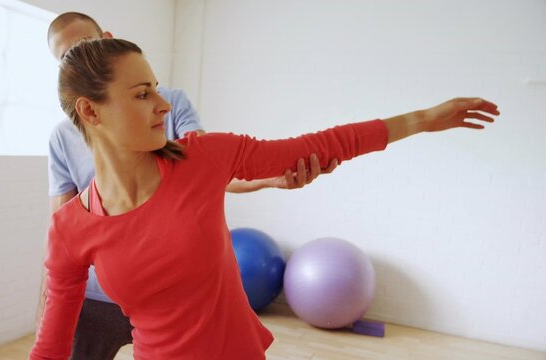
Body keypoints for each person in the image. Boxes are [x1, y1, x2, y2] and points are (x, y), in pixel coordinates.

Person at [30, 38, 499, 360]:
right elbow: (51, 346)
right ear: (91, 111)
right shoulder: (71, 227)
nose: (163, 104)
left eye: (157, 88)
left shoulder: (202, 159)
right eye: (142, 93)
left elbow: (318, 144)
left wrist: (421, 119)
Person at [41, 12, 339, 360]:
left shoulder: (167, 106)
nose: (76, 58)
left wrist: (266, 178)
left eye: (84, 44)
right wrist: (50, 299)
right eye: (64, 56)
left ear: (105, 36)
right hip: (101, 292)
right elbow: (62, 229)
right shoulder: (61, 138)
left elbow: (204, 172)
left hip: (171, 286)